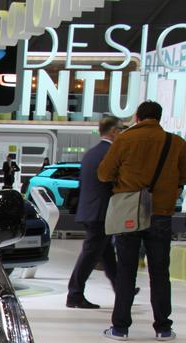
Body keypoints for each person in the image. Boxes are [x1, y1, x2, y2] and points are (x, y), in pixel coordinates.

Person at [98, 100, 186, 341]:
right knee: (160, 272)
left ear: (138, 118)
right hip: (161, 213)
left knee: (126, 270)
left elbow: (104, 173)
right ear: (159, 118)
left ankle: (120, 328)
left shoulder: (124, 140)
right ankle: (163, 328)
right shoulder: (176, 143)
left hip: (130, 211)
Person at [66, 116, 121, 309]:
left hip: (90, 210)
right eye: (120, 130)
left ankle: (122, 289)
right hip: (101, 212)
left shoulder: (91, 153)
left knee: (106, 254)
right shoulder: (110, 153)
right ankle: (74, 294)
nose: (121, 134)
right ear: (113, 131)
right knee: (90, 255)